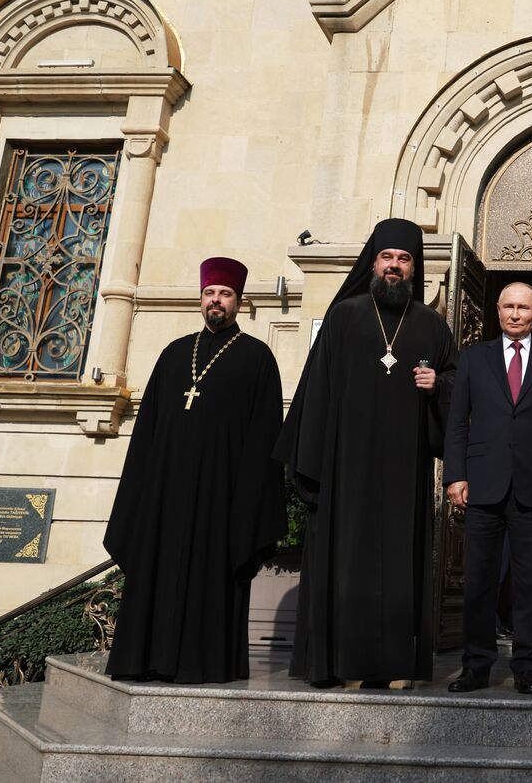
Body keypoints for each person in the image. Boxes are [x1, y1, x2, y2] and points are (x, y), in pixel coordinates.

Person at [275, 218, 458, 688]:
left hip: (406, 473)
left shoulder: (433, 327)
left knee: (401, 567)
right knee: (347, 564)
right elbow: (316, 389)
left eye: (404, 260)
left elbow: (460, 389)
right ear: (373, 263)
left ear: (415, 269)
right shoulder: (344, 317)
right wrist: (310, 463)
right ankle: (341, 663)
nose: (394, 267)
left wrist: (439, 386)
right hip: (346, 472)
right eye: (387, 258)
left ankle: (397, 665)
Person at [105, 257, 284, 683]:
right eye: (209, 294)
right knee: (158, 575)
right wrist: (140, 496)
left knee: (210, 579)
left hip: (219, 502)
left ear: (239, 301)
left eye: (224, 294)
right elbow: (146, 432)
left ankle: (201, 664)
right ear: (201, 300)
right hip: (165, 499)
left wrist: (248, 509)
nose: (216, 301)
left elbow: (265, 442)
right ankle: (145, 660)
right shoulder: (173, 355)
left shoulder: (257, 359)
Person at [443, 282, 532, 695]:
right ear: (497, 311)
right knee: (480, 581)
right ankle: (476, 665)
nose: (515, 314)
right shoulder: (473, 358)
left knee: (530, 582)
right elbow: (457, 422)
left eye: (523, 308)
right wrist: (455, 475)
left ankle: (526, 667)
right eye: (508, 306)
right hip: (483, 485)